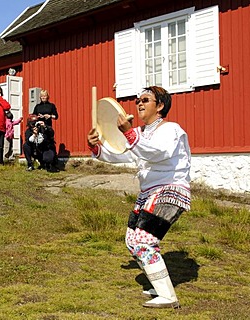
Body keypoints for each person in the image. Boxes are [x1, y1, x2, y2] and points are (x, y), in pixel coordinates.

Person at [87, 86, 191, 309]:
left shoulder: (171, 129)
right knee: (132, 239)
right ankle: (160, 285)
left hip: (169, 190)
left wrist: (129, 133)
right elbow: (121, 154)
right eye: (137, 101)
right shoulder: (141, 134)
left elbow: (157, 152)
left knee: (143, 240)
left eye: (145, 100)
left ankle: (168, 296)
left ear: (160, 106)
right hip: (148, 193)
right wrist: (96, 146)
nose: (139, 104)